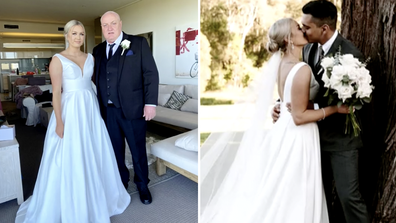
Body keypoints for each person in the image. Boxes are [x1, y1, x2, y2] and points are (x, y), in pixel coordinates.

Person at [200, 17, 351, 223]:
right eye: (298, 28)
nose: (303, 30)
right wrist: (334, 109)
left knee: (282, 187)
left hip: (283, 130)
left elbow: (287, 102)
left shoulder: (282, 64)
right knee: (295, 191)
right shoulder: (301, 69)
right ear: (289, 39)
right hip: (298, 136)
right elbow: (299, 117)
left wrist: (279, 106)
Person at [15, 20, 130, 223]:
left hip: (90, 109)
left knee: (94, 150)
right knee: (72, 153)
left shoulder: (91, 58)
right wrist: (59, 121)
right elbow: (57, 95)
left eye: (81, 34)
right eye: (74, 33)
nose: (78, 37)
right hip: (70, 110)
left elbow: (93, 86)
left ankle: (98, 197)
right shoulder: (58, 60)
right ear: (67, 35)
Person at [272, 1, 370, 222]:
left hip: (341, 141)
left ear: (324, 28)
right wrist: (280, 104)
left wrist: (311, 108)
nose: (303, 30)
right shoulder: (306, 49)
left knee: (348, 197)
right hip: (310, 139)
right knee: (316, 197)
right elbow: (296, 85)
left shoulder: (350, 55)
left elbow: (359, 102)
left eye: (306, 27)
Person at [92, 11, 159, 205]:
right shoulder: (98, 50)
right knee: (115, 150)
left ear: (120, 24)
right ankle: (121, 182)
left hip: (134, 109)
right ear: (102, 28)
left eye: (113, 23)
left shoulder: (137, 43)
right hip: (108, 111)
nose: (109, 28)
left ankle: (142, 185)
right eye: (105, 25)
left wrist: (150, 103)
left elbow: (150, 74)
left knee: (137, 150)